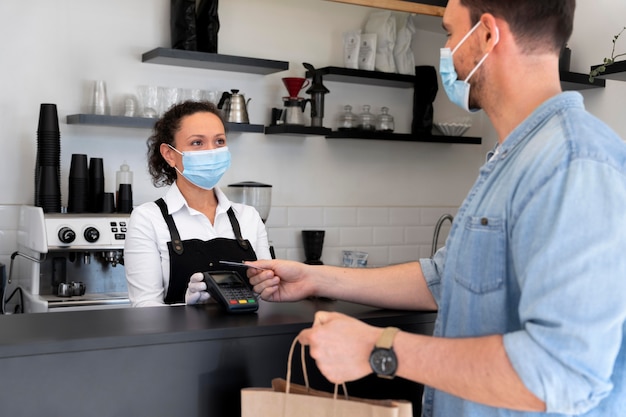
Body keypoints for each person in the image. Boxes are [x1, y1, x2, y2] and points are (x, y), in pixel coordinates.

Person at [246, 0, 626, 416]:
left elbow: (563, 372)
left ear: (486, 34)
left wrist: (379, 347)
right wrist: (316, 279)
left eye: (448, 32)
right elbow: (447, 281)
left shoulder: (573, 164)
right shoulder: (513, 157)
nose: (447, 52)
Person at [124, 101, 271, 307]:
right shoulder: (147, 218)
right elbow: (145, 307)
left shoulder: (248, 217)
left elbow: (265, 297)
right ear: (169, 154)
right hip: (179, 339)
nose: (211, 151)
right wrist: (188, 309)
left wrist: (271, 286)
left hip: (244, 338)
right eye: (197, 143)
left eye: (219, 141)